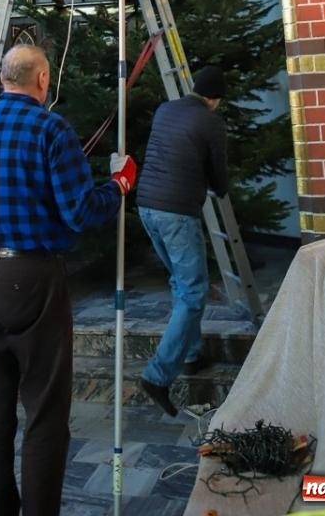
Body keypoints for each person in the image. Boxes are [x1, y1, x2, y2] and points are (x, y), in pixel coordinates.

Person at [0, 44, 137, 516]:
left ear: (1, 80)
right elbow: (78, 211)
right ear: (41, 81)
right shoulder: (51, 127)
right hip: (31, 277)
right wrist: (118, 186)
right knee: (45, 413)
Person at [136, 63, 229, 418]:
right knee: (193, 292)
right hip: (177, 212)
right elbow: (217, 170)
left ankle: (191, 355)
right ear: (214, 99)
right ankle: (157, 376)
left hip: (147, 207)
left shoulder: (165, 109)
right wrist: (221, 188)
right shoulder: (211, 122)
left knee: (181, 282)